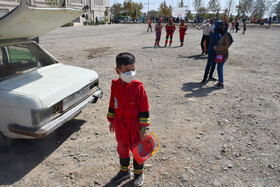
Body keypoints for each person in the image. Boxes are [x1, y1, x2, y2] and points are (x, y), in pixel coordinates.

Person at [107, 52, 150, 186]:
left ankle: (138, 174)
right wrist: (112, 120)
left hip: (135, 126)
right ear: (118, 70)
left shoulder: (138, 87)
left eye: (133, 69)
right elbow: (113, 102)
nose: (131, 73)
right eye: (126, 70)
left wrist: (143, 128)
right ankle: (124, 171)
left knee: (137, 149)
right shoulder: (115, 85)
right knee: (122, 148)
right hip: (120, 125)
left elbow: (144, 108)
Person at [213, 22, 234, 88]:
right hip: (220, 54)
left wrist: (217, 48)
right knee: (219, 67)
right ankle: (220, 81)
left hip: (223, 54)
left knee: (219, 68)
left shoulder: (226, 35)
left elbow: (227, 45)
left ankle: (221, 83)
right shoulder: (222, 34)